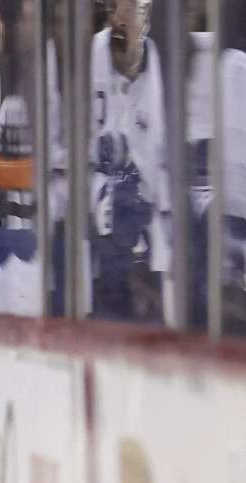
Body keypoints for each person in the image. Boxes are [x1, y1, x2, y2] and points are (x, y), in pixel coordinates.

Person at [88, 0, 170, 323]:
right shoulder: (93, 53)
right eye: (114, 10)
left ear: (145, 18)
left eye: (130, 11)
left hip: (147, 247)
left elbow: (161, 166)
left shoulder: (159, 69)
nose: (119, 19)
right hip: (103, 241)